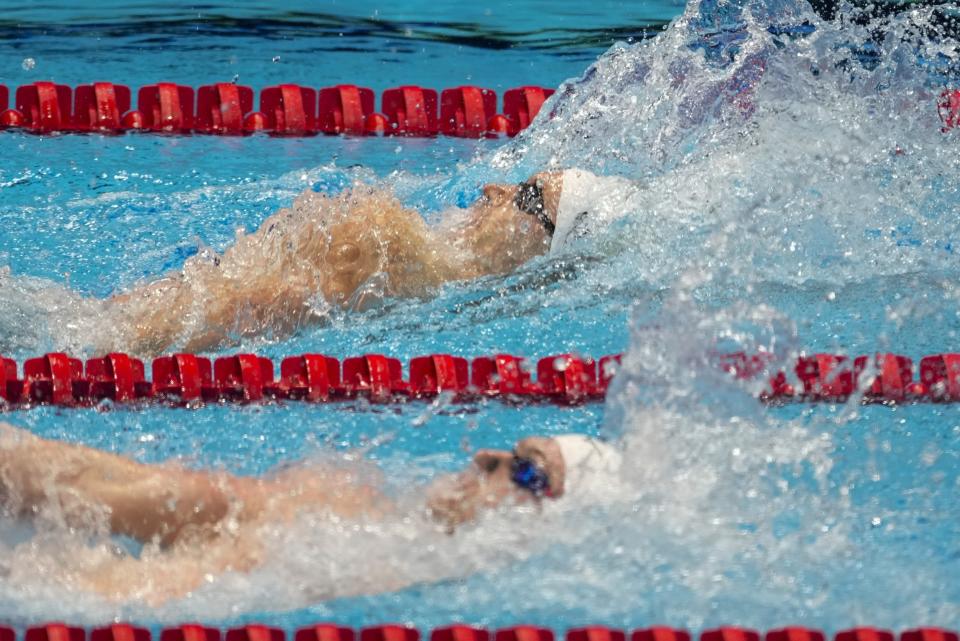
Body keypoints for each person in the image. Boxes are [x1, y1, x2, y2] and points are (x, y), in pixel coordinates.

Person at [0, 422, 622, 604]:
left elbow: (117, 595)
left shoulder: (371, 564)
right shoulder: (364, 514)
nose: (487, 456)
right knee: (214, 498)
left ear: (539, 513)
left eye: (520, 467)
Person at [101, 169, 640, 356]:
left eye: (526, 196)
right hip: (119, 332)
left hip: (109, 337)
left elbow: (241, 307)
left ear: (544, 248)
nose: (493, 189)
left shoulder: (395, 252)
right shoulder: (398, 251)